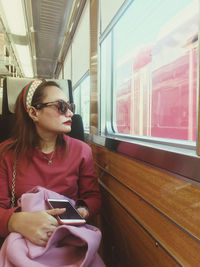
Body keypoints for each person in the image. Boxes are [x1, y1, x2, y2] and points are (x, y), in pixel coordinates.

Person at [0, 79, 101, 247]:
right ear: (34, 113)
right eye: (61, 106)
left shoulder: (82, 151)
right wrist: (15, 221)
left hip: (68, 236)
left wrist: (82, 211)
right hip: (24, 238)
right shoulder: (6, 154)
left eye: (70, 107)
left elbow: (92, 197)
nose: (69, 114)